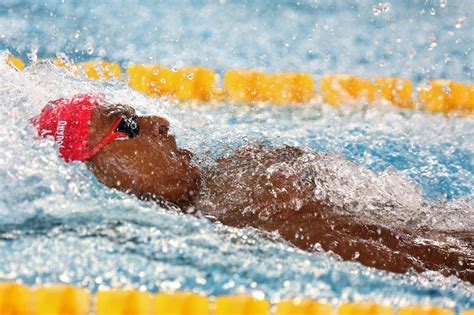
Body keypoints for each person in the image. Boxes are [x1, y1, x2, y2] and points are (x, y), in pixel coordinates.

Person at [31, 94, 473, 284]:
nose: (159, 122)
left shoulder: (234, 185)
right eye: (126, 126)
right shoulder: (244, 227)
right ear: (98, 173)